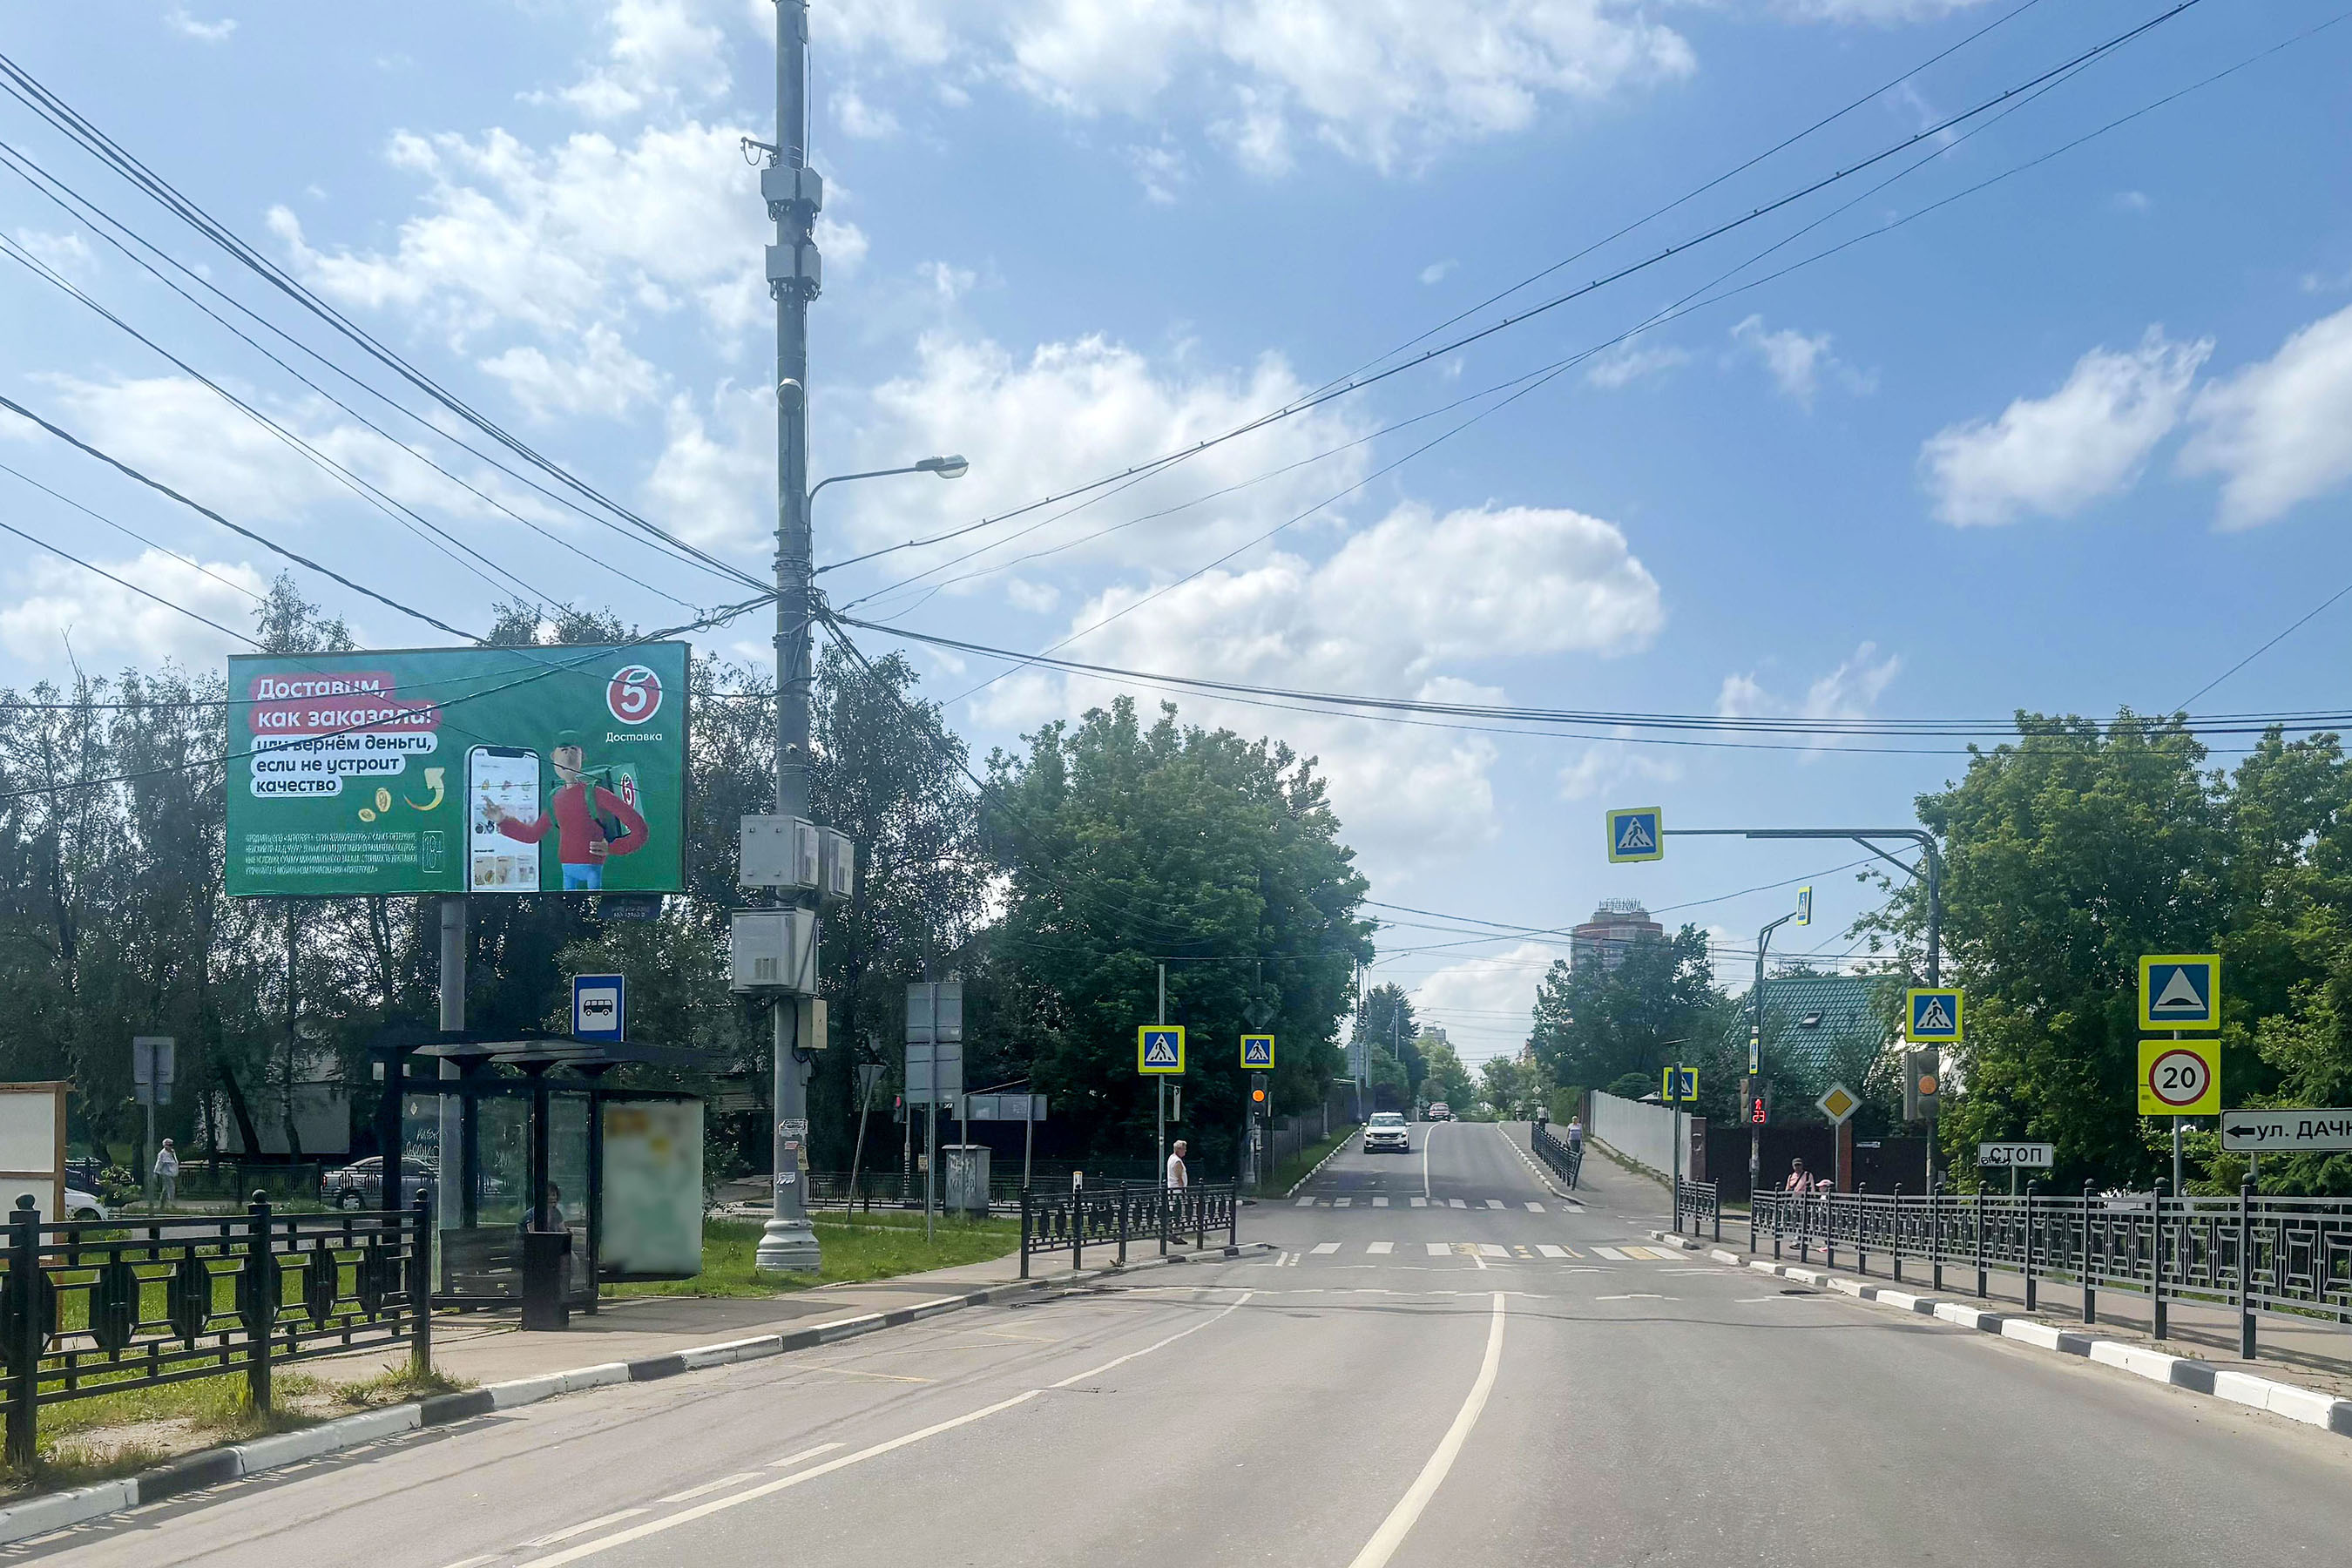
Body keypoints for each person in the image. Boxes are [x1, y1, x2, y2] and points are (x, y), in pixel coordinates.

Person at [487, 732, 648, 891]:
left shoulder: (595, 793)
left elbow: (640, 830)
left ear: (582, 757)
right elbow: (532, 835)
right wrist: (502, 820)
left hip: (593, 868)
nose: (568, 755)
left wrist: (613, 847)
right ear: (553, 757)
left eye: (573, 750)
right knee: (569, 901)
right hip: (567, 869)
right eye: (563, 750)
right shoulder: (555, 798)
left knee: (594, 898)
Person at [152, 1138, 179, 1207]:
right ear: (165, 1146)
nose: (171, 1147)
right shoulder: (162, 1154)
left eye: (171, 1145)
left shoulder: (173, 1152)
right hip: (166, 1173)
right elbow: (159, 1163)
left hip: (173, 1173)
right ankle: (171, 1204)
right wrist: (156, 1172)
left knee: (166, 1189)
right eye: (169, 1145)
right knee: (171, 1188)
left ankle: (162, 1205)